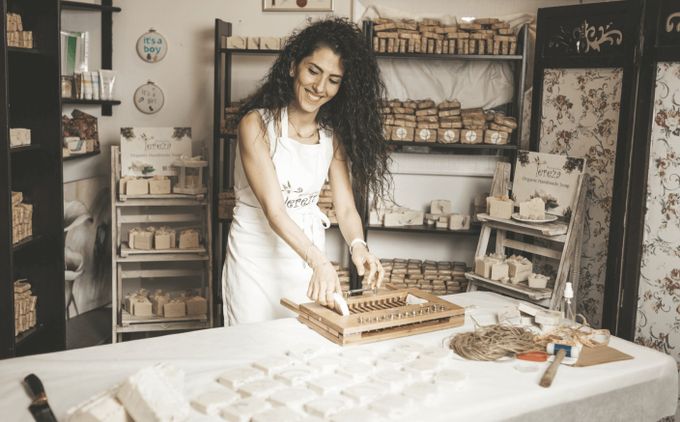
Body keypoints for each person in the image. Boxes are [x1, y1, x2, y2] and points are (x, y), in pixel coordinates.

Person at [222, 17, 391, 325]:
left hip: (306, 265)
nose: (320, 87)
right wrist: (322, 263)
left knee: (301, 354)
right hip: (254, 261)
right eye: (313, 70)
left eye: (333, 79)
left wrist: (358, 247)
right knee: (250, 353)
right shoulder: (256, 125)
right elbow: (275, 211)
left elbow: (346, 207)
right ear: (292, 67)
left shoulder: (330, 135)